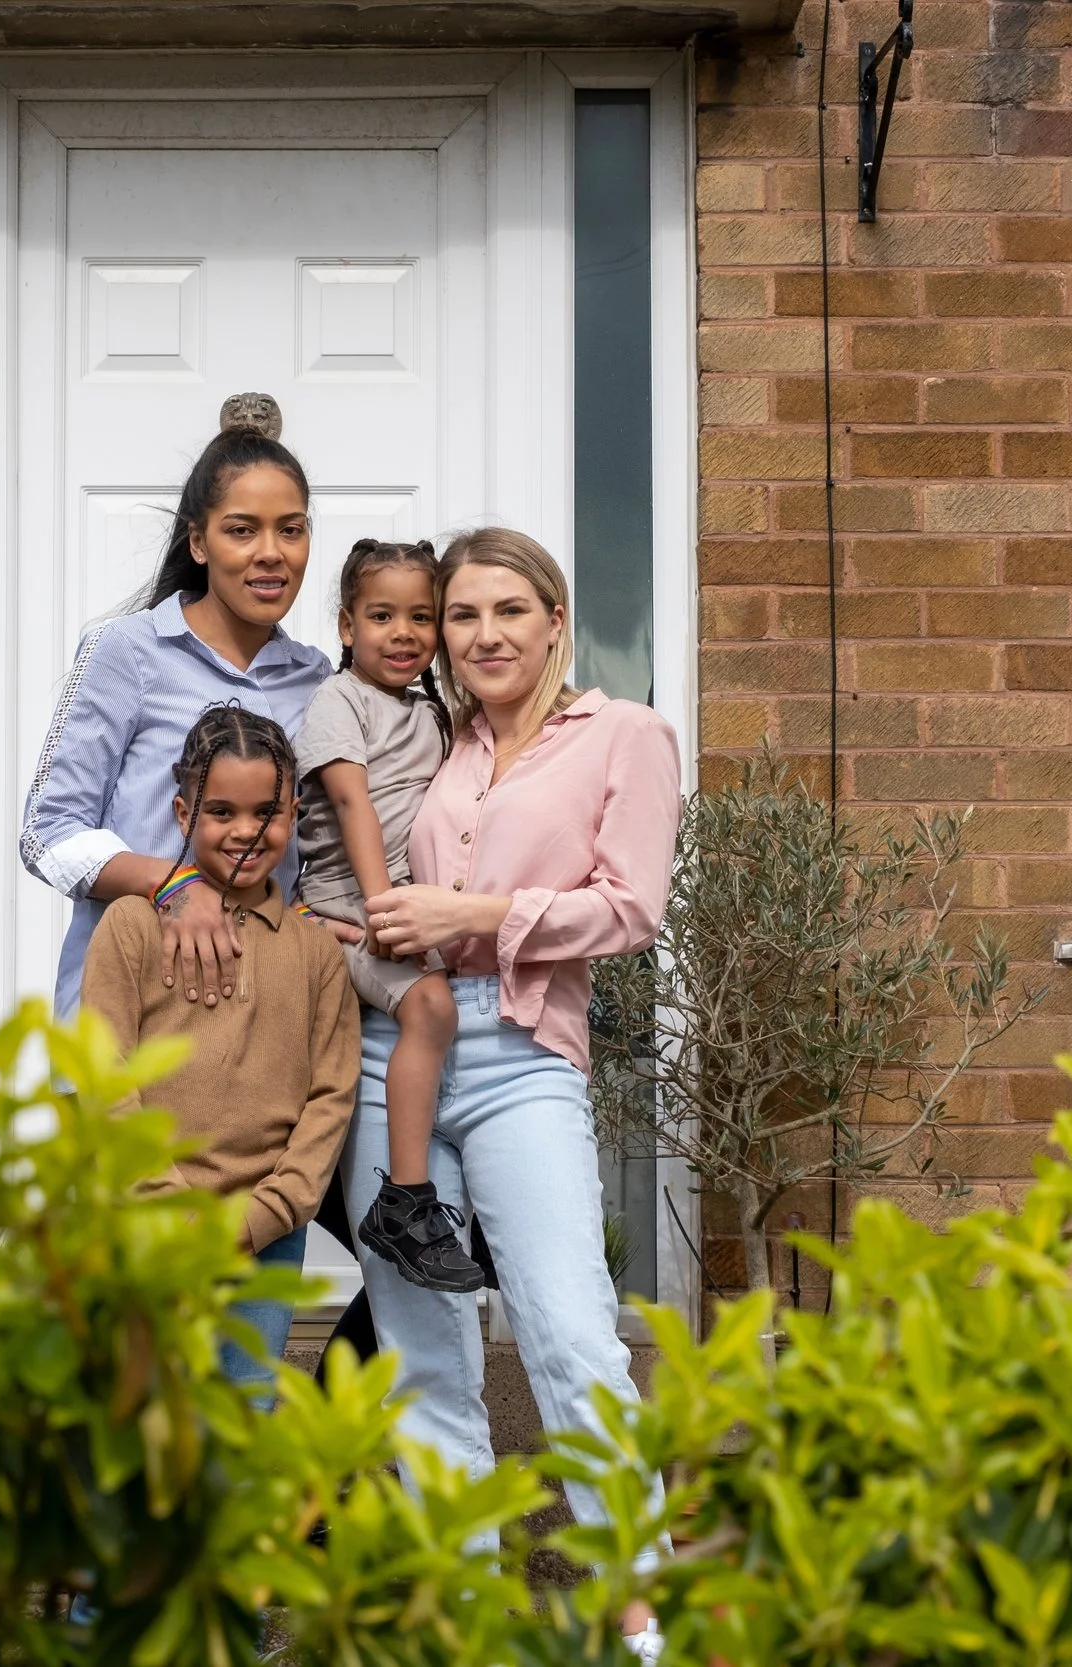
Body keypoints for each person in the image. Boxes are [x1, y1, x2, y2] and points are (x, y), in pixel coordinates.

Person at [354, 527, 682, 1662]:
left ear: (554, 618)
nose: (482, 633)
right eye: (460, 615)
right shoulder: (434, 742)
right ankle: (460, 1612)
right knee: (423, 1346)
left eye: (507, 609)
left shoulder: (624, 735)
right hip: (388, 1056)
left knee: (569, 1330)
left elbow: (631, 908)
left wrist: (477, 917)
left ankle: (644, 1613)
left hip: (520, 1050)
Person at [79, 707, 360, 1396]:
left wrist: (266, 1213)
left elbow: (331, 1094)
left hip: (262, 1235)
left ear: (294, 811)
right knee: (139, 1413)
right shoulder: (132, 926)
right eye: (221, 810)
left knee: (241, 1414)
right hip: (144, 1219)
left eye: (267, 811)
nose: (245, 830)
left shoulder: (315, 951)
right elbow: (102, 1071)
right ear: (183, 812)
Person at [21, 405, 330, 1018]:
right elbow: (47, 832)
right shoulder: (126, 652)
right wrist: (174, 884)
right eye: (242, 530)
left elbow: (314, 851)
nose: (271, 553)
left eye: (290, 530)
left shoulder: (317, 680)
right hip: (127, 1018)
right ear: (198, 541)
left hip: (261, 1034)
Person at [291, 539, 479, 1293]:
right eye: (381, 615)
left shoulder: (431, 712)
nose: (403, 632)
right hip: (347, 906)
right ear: (346, 626)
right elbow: (350, 803)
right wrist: (380, 907)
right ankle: (403, 1203)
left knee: (442, 1019)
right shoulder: (340, 700)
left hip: (399, 902)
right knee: (430, 1009)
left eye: (421, 616)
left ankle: (455, 1215)